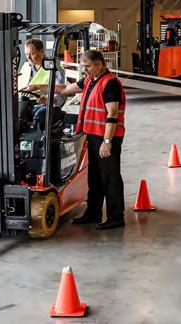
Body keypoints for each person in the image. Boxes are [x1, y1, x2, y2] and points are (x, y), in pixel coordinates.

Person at [54, 50, 127, 230]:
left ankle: (116, 217)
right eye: (83, 66)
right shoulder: (90, 81)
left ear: (99, 64)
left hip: (106, 138)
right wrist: (38, 87)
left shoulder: (110, 83)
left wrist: (107, 142)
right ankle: (93, 213)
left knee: (110, 177)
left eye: (87, 66)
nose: (84, 69)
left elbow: (112, 114)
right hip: (93, 136)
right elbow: (64, 89)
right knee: (94, 177)